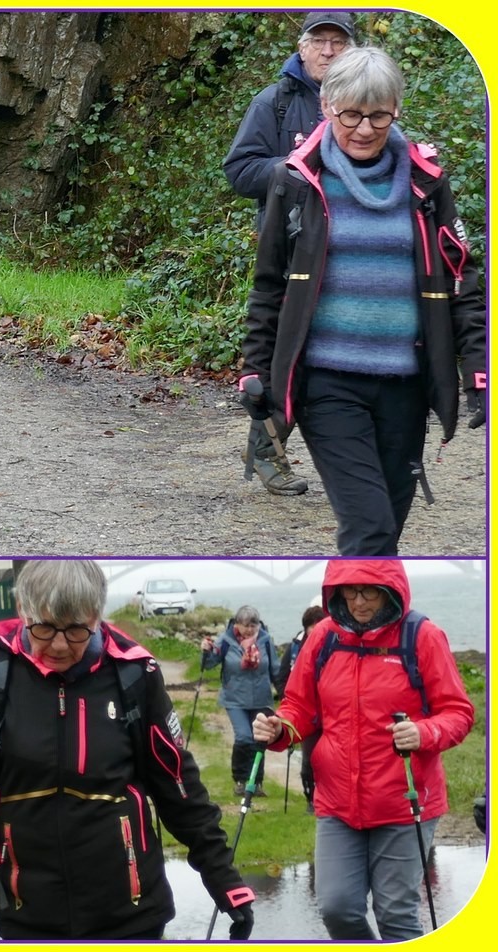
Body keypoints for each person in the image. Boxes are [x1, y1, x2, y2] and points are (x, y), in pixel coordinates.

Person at [0, 560, 254, 939]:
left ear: (97, 616)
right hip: (29, 917)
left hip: (130, 917)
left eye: (77, 629)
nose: (60, 645)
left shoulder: (133, 675)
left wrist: (224, 881)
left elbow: (178, 786)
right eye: (44, 628)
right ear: (24, 613)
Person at [242, 46, 486, 556]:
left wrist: (478, 372)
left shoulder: (426, 185)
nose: (364, 128)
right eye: (351, 113)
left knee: (386, 530)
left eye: (379, 114)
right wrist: (255, 368)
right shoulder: (295, 182)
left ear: (396, 109)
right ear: (327, 106)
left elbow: (463, 278)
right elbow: (269, 284)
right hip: (327, 386)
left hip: (405, 386)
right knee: (370, 526)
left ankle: (370, 617)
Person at [253, 559, 474, 939]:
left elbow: (458, 712)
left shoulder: (422, 636)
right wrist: (279, 729)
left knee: (396, 915)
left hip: (404, 801)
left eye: (368, 591)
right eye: (348, 592)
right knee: (337, 908)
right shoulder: (323, 637)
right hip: (338, 803)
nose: (358, 602)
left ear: (390, 590)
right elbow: (300, 707)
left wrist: (424, 732)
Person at [222, 13, 358, 496]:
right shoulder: (274, 103)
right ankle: (267, 455)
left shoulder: (363, 105)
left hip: (349, 253)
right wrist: (293, 169)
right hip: (291, 252)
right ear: (302, 49)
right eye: (318, 41)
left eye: (337, 42)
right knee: (286, 353)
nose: (327, 51)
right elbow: (239, 169)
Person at [200, 605, 278, 797]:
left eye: (254, 624)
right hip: (234, 699)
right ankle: (241, 780)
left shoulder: (266, 641)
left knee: (260, 741)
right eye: (246, 625)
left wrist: (285, 692)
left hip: (261, 698)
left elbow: (274, 668)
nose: (250, 629)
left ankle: (257, 783)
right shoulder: (226, 641)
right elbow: (210, 663)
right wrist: (206, 652)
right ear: (237, 624)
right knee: (244, 737)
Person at [273, 601, 329, 810]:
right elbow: (282, 676)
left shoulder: (335, 647)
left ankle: (326, 798)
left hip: (331, 713)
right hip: (308, 715)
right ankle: (311, 799)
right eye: (311, 630)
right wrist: (287, 701)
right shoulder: (296, 648)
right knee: (309, 760)